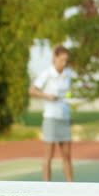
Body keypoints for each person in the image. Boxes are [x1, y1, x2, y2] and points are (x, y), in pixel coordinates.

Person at [29, 44, 73, 182]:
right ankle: (46, 188)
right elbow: (32, 90)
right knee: (49, 156)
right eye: (61, 60)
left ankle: (71, 187)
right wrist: (47, 96)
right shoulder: (46, 74)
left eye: (66, 60)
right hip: (51, 118)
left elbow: (67, 95)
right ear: (55, 58)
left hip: (64, 117)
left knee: (67, 155)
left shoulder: (68, 74)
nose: (64, 63)